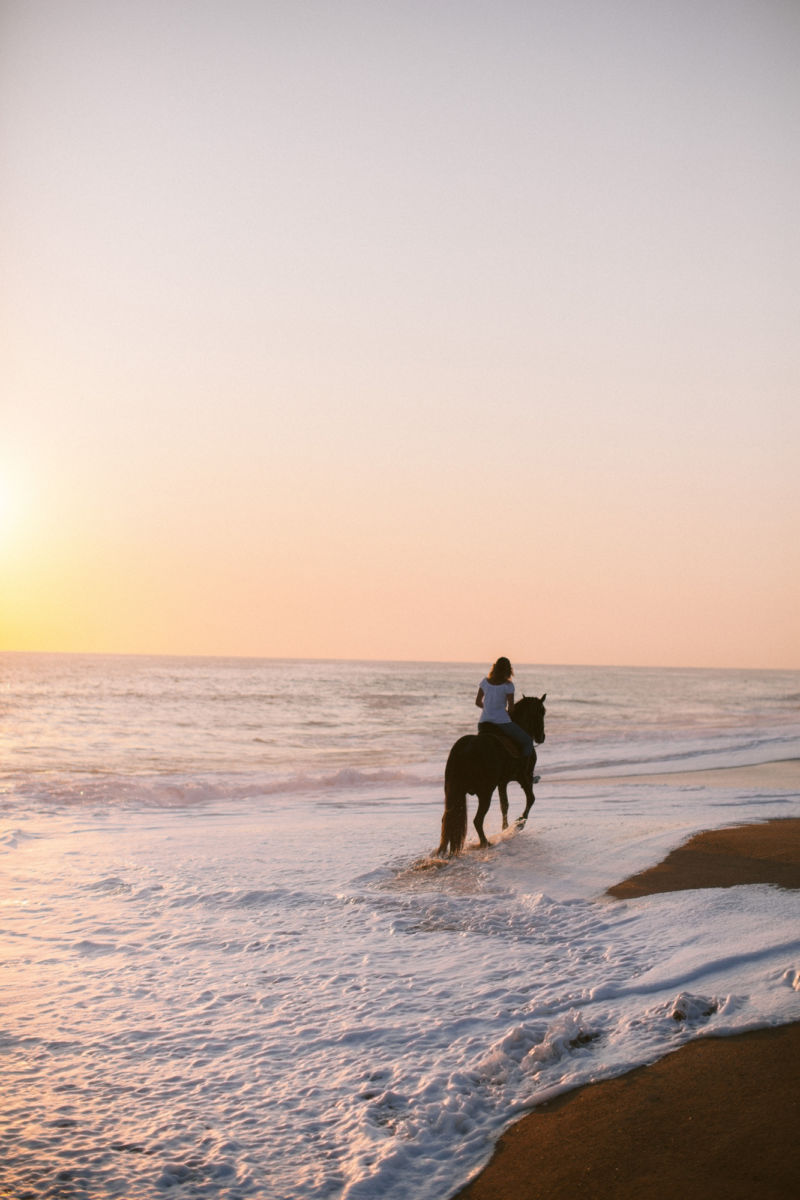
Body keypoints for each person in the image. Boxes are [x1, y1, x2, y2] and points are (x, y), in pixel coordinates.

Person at [475, 656, 534, 757]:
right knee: (528, 741)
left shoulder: (484, 682)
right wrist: (504, 712)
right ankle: (524, 770)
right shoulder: (508, 686)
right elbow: (511, 709)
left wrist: (489, 708)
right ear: (509, 670)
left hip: (483, 723)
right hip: (501, 723)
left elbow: (478, 702)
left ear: (495, 667)